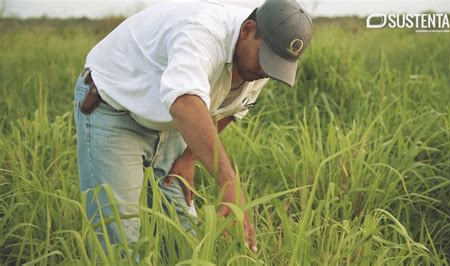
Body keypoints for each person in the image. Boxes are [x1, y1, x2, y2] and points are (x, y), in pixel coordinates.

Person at [74, 0, 313, 255]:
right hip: (115, 105)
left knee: (183, 232)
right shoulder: (201, 31)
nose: (266, 71)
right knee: (117, 237)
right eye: (265, 60)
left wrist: (190, 155)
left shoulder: (261, 62)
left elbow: (233, 108)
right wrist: (228, 181)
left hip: (173, 119)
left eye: (275, 66)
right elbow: (186, 103)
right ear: (248, 30)